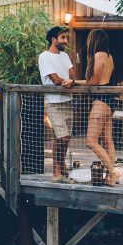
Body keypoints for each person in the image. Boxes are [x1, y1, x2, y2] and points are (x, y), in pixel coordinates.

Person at [72, 29, 117, 185]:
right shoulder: (109, 56)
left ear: (94, 41)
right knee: (106, 139)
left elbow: (93, 82)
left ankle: (112, 172)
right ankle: (111, 178)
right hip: (109, 100)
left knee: (91, 141)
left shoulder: (99, 55)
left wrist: (74, 82)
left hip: (101, 100)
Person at [38, 26, 75, 179]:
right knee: (61, 137)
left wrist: (69, 81)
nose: (66, 41)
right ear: (53, 39)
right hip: (53, 102)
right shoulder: (44, 56)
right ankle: (56, 170)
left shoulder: (65, 56)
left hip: (68, 100)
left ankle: (62, 165)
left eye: (66, 38)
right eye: (63, 38)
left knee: (66, 139)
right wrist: (67, 81)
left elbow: (72, 76)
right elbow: (55, 80)